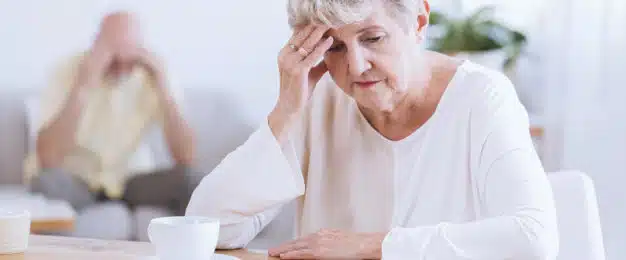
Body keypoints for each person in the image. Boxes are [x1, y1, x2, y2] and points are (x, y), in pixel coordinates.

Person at [185, 0, 559, 259]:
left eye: (372, 38)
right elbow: (208, 228)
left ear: (418, 22)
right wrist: (286, 110)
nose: (357, 66)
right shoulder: (318, 100)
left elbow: (534, 237)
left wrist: (373, 246)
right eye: (334, 47)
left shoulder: (482, 97)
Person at [24, 11, 198, 238]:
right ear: (96, 45)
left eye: (129, 57)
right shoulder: (66, 71)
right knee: (46, 182)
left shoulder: (154, 76)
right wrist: (84, 84)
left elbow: (186, 157)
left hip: (130, 183)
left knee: (192, 180)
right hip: (79, 182)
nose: (121, 67)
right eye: (113, 56)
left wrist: (163, 88)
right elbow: (48, 157)